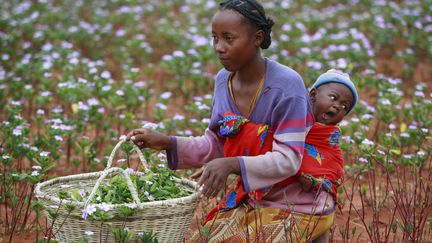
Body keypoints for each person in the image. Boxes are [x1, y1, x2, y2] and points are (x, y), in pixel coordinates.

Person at [126, 0, 328, 241]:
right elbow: (218, 145)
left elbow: (289, 159)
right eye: (215, 38)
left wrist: (232, 164)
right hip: (254, 197)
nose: (219, 47)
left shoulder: (287, 85)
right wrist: (168, 142)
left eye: (228, 38)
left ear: (257, 38)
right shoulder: (224, 81)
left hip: (297, 200)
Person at [203, 69, 358, 242]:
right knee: (213, 234)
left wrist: (315, 181)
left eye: (345, 106)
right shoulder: (289, 117)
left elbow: (330, 169)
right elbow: (262, 138)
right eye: (333, 98)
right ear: (313, 95)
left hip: (306, 205)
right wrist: (238, 130)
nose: (338, 106)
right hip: (274, 198)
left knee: (313, 222)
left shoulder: (329, 137)